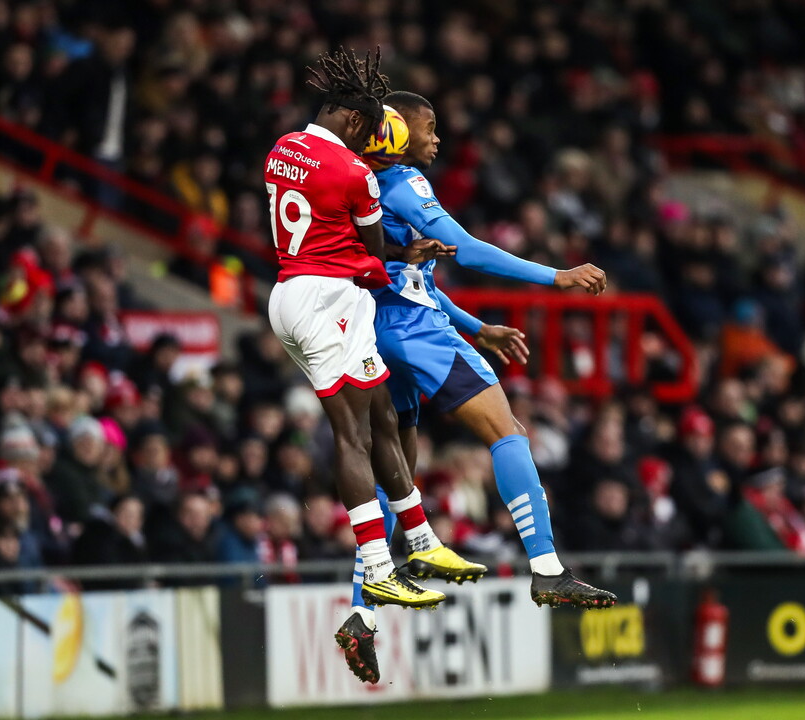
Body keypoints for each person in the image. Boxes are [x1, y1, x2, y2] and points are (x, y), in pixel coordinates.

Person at [337, 91, 617, 684]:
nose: (437, 138)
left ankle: (361, 613)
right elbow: (466, 247)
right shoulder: (403, 181)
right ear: (395, 130)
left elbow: (405, 273)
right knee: (508, 431)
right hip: (414, 332)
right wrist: (556, 276)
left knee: (397, 478)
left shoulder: (358, 183)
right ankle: (546, 568)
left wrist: (476, 325)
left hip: (373, 330)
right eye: (429, 126)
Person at [264, 49, 483, 625]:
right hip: (326, 300)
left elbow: (338, 238)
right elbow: (373, 252)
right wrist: (405, 253)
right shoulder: (355, 173)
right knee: (355, 433)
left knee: (383, 414)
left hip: (292, 289)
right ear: (356, 124)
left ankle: (420, 536)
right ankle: (380, 567)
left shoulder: (283, 148)